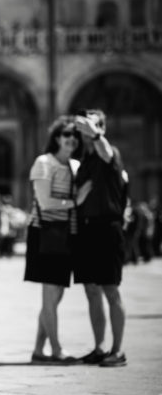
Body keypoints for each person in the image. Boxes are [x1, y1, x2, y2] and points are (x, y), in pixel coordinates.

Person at [24, 116, 87, 364]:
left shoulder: (74, 166)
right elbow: (45, 201)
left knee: (56, 295)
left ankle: (39, 351)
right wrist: (75, 202)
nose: (71, 140)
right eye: (66, 135)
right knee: (50, 295)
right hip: (45, 233)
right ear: (57, 138)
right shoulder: (44, 163)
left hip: (66, 234)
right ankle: (57, 350)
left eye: (74, 136)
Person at [73, 109, 128, 367]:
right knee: (91, 290)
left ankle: (117, 351)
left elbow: (105, 152)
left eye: (93, 125)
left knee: (110, 289)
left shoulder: (110, 153)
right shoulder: (85, 161)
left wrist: (95, 133)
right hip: (87, 229)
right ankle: (99, 347)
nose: (85, 130)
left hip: (108, 227)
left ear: (101, 129)